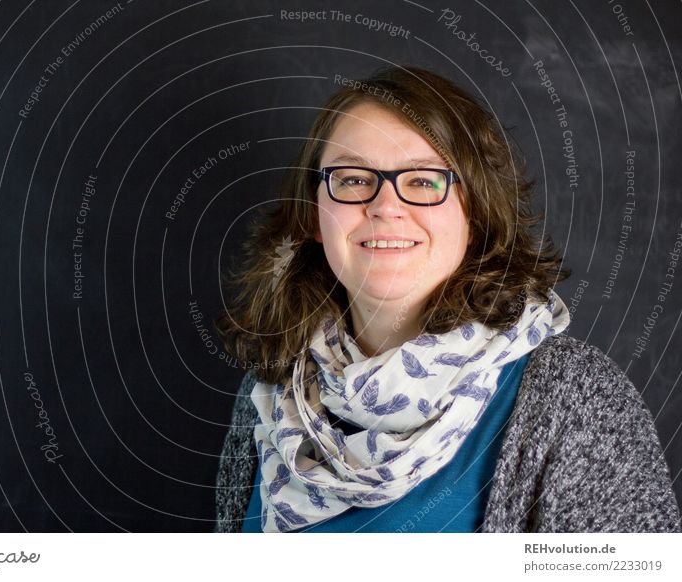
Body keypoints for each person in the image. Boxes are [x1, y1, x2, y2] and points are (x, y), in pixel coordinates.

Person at [212, 64, 680, 533]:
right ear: (314, 215)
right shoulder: (270, 394)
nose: (385, 205)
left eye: (423, 180)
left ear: (475, 213)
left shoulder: (574, 400)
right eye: (353, 179)